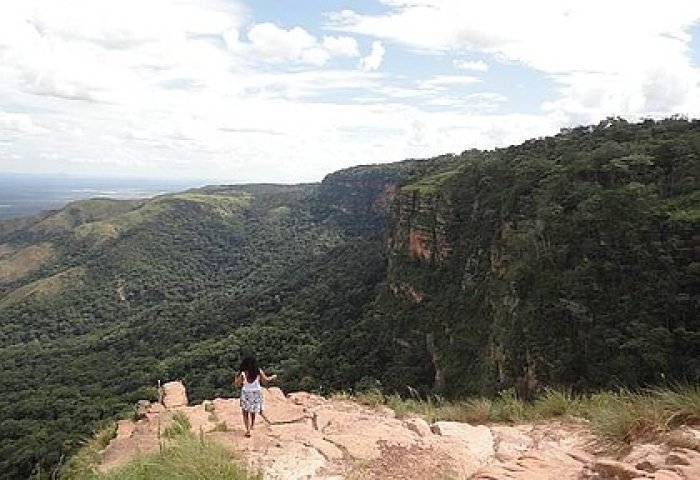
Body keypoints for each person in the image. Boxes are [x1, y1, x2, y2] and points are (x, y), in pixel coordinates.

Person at [234, 355, 277, 437]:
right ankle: (253, 425)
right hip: (256, 392)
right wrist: (273, 377)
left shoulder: (243, 373)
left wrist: (236, 377)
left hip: (246, 393)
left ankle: (248, 430)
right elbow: (266, 380)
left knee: (245, 411)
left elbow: (237, 384)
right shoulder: (258, 371)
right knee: (253, 409)